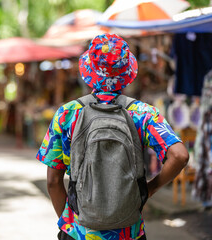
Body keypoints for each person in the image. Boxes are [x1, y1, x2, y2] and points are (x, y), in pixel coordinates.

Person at [36, 34, 189, 240]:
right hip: (129, 232)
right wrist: (149, 189)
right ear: (126, 72)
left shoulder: (67, 114)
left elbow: (54, 182)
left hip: (78, 232)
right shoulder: (142, 113)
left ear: (89, 70)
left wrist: (70, 225)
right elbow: (179, 156)